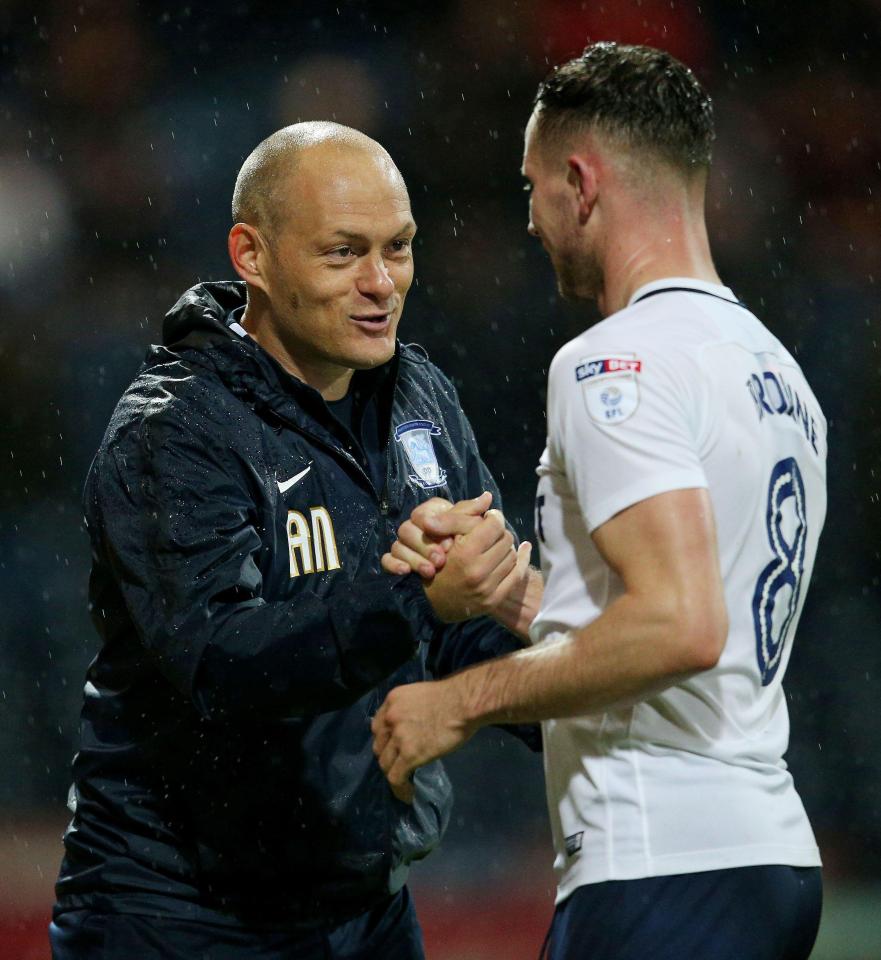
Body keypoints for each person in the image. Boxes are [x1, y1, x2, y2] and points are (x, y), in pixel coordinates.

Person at [373, 43, 826, 959]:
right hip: (762, 857)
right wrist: (516, 597)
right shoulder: (778, 376)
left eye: (533, 187)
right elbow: (695, 629)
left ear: (581, 183)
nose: (531, 220)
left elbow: (678, 626)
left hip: (662, 867)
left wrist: (456, 701)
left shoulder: (613, 362)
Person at [49, 121, 539, 960]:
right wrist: (414, 596)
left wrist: (556, 649)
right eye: (343, 253)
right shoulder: (177, 431)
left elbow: (462, 625)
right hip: (175, 913)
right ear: (252, 255)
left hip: (364, 904)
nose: (381, 283)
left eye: (399, 247)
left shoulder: (419, 397)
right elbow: (220, 663)